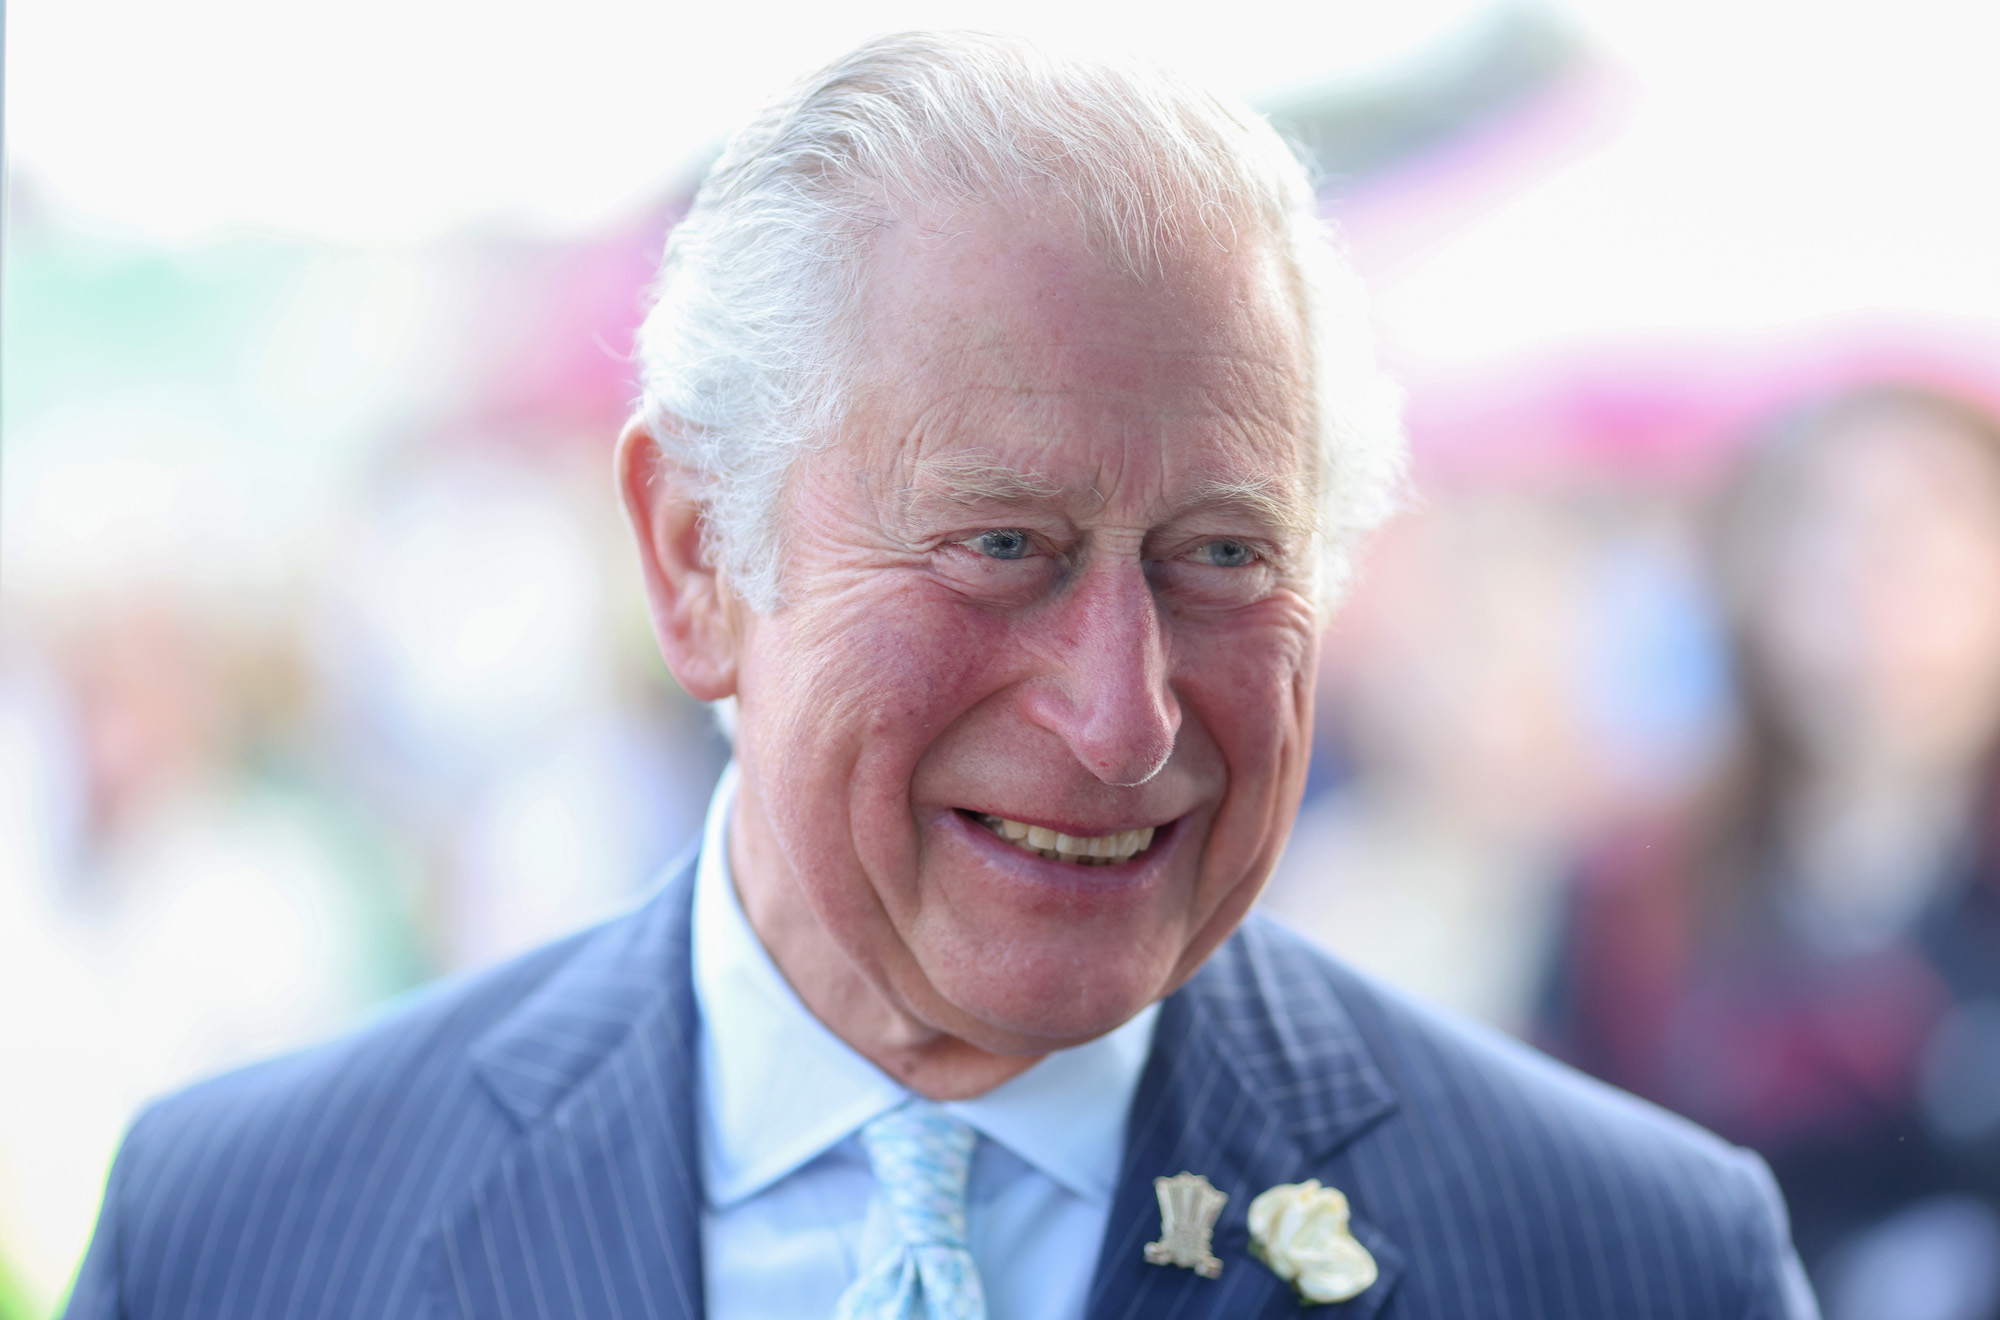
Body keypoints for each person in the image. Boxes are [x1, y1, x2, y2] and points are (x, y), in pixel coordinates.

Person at [65, 32, 1815, 1320]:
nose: (1124, 719)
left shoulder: (1636, 1261)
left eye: (1221, 555)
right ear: (695, 555)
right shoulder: (243, 1233)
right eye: (1001, 548)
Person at [1537, 385, 2000, 1319]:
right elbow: (1567, 1192)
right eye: (1834, 533)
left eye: (1934, 533)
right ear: (1751, 577)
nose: (1883, 585)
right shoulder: (1639, 891)